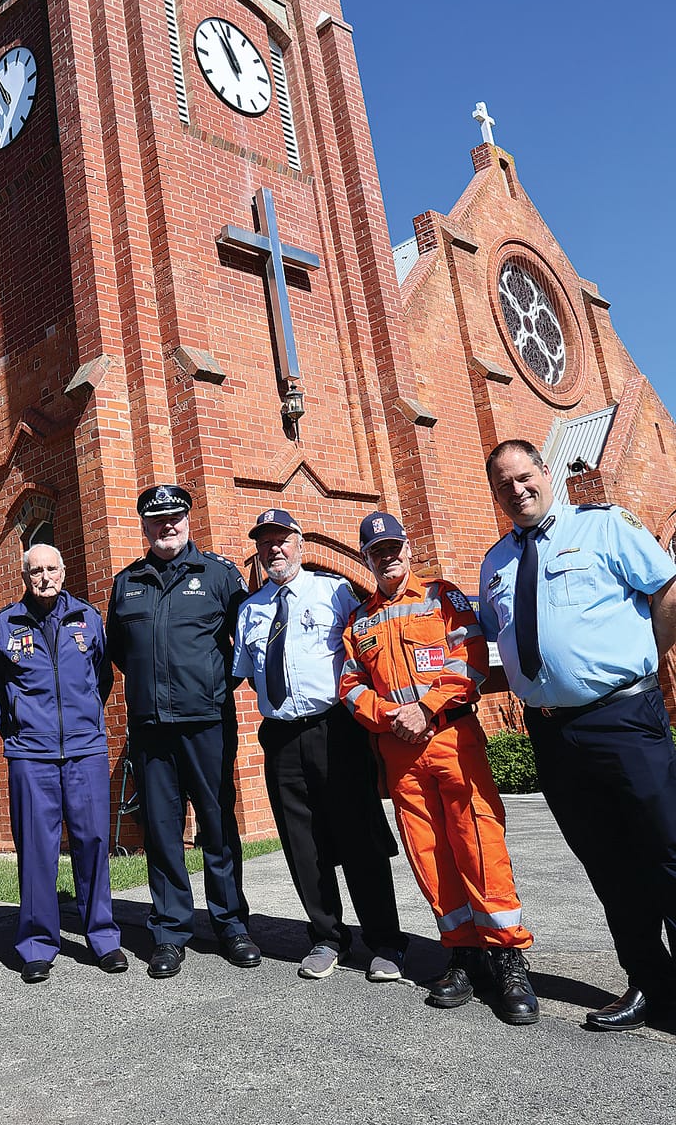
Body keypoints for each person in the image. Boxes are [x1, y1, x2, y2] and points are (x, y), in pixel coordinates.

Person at [480, 439, 676, 1032]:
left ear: (545, 472)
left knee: (667, 849)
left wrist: (647, 660)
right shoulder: (495, 563)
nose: (517, 490)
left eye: (525, 476)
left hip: (623, 719)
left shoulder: (605, 526)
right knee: (607, 863)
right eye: (504, 484)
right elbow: (499, 635)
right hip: (551, 734)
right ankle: (651, 984)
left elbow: (667, 589)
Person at [339, 511, 537, 1023]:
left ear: (408, 548)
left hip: (451, 736)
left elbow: (470, 657)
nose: (388, 556)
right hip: (400, 749)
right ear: (366, 559)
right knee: (426, 851)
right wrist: (392, 717)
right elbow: (350, 686)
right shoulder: (359, 621)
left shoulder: (441, 597)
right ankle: (463, 953)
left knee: (478, 842)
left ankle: (506, 956)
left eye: (393, 547)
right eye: (377, 551)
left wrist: (425, 708)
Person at [233, 509, 405, 981]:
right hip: (282, 736)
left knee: (359, 837)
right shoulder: (251, 610)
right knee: (301, 842)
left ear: (300, 543)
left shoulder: (335, 592)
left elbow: (365, 651)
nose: (275, 549)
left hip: (337, 729)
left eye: (282, 540)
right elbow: (248, 673)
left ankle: (385, 942)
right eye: (265, 543)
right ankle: (328, 936)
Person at [106, 484, 259, 978]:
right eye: (157, 520)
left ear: (188, 519)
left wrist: (214, 687)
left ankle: (231, 925)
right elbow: (119, 650)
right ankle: (170, 931)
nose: (167, 526)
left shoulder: (219, 575)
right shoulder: (127, 583)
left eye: (174, 517)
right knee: (162, 831)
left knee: (217, 825)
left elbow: (247, 641)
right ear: (144, 526)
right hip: (151, 730)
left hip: (207, 724)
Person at [0, 543, 127, 982]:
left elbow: (101, 676)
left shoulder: (88, 618)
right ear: (24, 577)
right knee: (35, 850)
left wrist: (84, 721)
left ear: (63, 573)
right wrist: (20, 730)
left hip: (85, 750)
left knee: (93, 843)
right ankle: (37, 945)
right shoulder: (5, 624)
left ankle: (103, 938)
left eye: (51, 569)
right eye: (35, 571)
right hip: (31, 755)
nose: (44, 577)